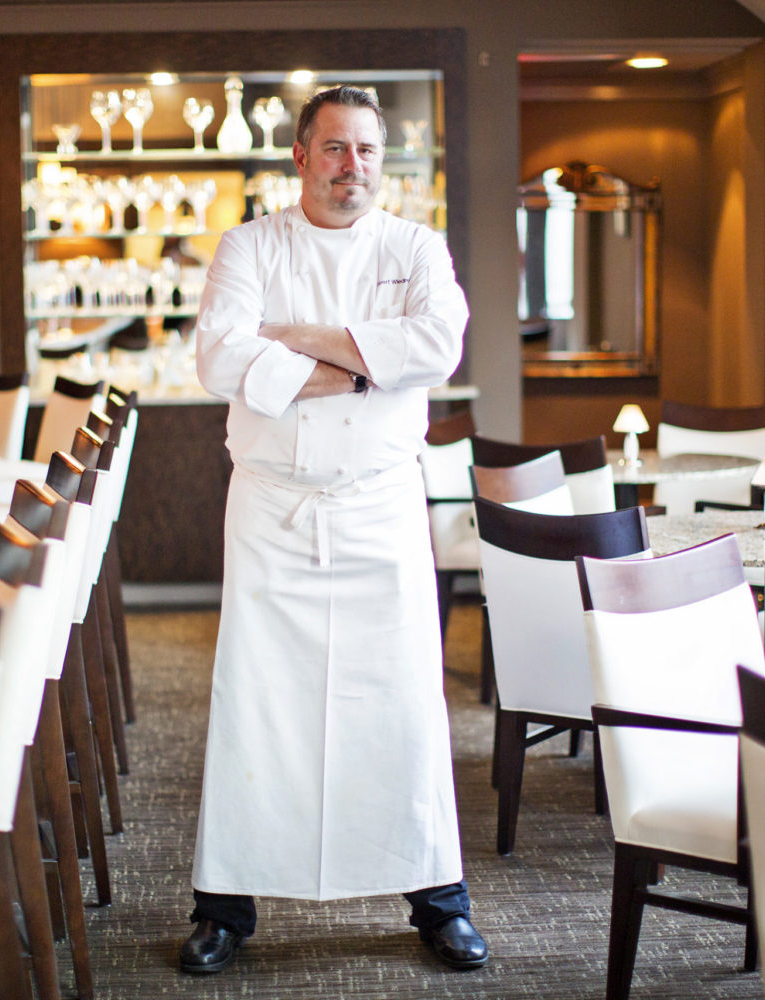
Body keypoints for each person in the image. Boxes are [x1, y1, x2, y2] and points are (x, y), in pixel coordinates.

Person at [180, 84, 487, 975]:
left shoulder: (416, 246)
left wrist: (297, 342)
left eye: (367, 152)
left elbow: (435, 347)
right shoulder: (249, 245)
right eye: (335, 150)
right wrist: (364, 361)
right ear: (300, 157)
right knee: (255, 702)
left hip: (381, 505)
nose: (354, 168)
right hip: (274, 508)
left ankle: (438, 901)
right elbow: (219, 357)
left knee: (402, 701)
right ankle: (224, 907)